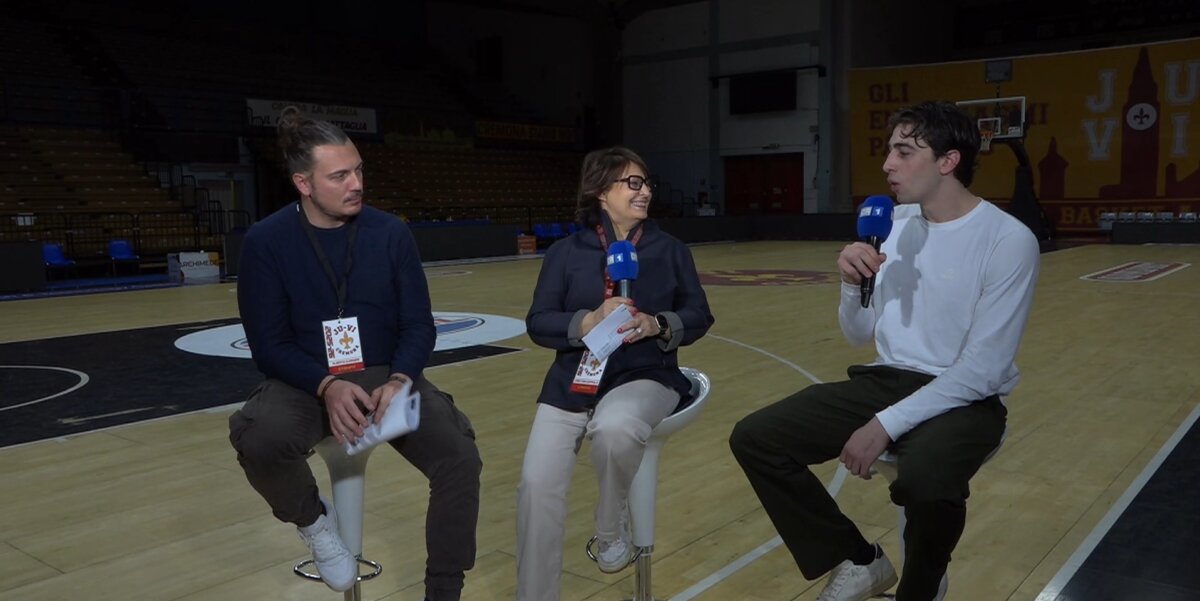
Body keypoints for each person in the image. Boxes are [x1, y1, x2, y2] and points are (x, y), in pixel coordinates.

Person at [729, 100, 1040, 601]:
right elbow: (858, 334)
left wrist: (884, 425)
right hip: (885, 378)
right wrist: (851, 284)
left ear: (949, 160)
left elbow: (983, 369)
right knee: (756, 438)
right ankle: (858, 561)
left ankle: (919, 587)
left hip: (966, 396)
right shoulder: (891, 223)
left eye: (905, 151)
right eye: (889, 150)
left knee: (927, 482)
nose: (888, 164)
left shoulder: (1007, 239)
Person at [228, 108, 481, 601]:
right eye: (340, 175)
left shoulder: (390, 233)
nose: (357, 184)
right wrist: (326, 385)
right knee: (258, 437)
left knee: (459, 456)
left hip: (388, 376)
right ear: (303, 183)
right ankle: (315, 523)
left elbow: (418, 324)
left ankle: (444, 590)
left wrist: (401, 379)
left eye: (359, 170)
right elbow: (269, 345)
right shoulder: (265, 242)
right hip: (307, 383)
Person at [517, 146, 715, 601]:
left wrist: (658, 323)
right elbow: (538, 322)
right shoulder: (565, 253)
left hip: (646, 375)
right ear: (600, 190)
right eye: (633, 183)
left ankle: (610, 529)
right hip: (572, 382)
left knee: (615, 427)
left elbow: (699, 315)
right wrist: (586, 322)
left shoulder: (670, 250)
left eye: (647, 184)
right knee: (535, 488)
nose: (645, 192)